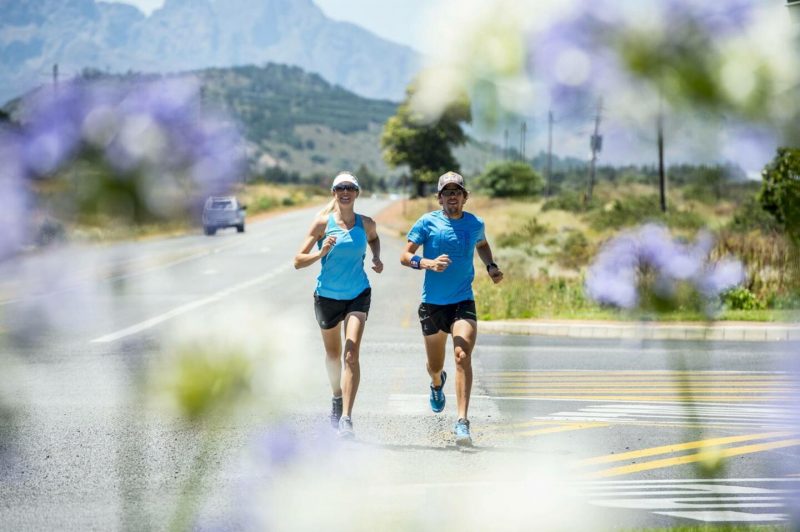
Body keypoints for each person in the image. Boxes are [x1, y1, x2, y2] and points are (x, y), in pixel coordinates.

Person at [400, 171, 503, 446]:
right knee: (435, 366)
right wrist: (427, 263)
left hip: (462, 301)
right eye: (447, 192)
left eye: (457, 191)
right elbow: (404, 255)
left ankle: (462, 422)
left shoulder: (474, 223)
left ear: (465, 197)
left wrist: (490, 265)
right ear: (439, 198)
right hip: (432, 303)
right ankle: (436, 383)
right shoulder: (427, 222)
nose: (452, 196)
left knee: (461, 355)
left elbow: (482, 244)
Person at [294, 171, 383, 438]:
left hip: (358, 293)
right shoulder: (322, 223)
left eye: (350, 188)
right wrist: (321, 252)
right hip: (327, 296)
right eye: (340, 188)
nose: (345, 192)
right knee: (333, 356)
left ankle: (346, 417)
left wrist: (376, 257)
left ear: (357, 193)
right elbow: (298, 260)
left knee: (350, 354)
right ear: (334, 193)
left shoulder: (366, 223)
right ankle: (336, 396)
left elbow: (375, 239)